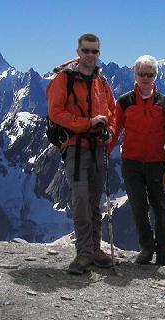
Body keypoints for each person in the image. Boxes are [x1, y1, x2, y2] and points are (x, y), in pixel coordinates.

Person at [47, 33, 117, 275]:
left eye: (94, 51)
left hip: (98, 147)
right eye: (86, 51)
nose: (90, 55)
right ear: (78, 52)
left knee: (94, 200)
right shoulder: (64, 79)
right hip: (76, 148)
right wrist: (87, 123)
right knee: (80, 200)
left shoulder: (101, 82)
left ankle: (95, 249)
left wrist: (108, 129)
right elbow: (56, 113)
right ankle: (84, 253)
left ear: (99, 53)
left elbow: (112, 111)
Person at [109, 55, 165, 267]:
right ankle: (147, 249)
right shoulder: (124, 102)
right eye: (142, 74)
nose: (146, 78)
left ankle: (163, 253)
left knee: (160, 208)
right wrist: (104, 152)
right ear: (136, 75)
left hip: (156, 163)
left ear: (156, 76)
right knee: (139, 207)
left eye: (150, 74)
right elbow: (115, 130)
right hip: (132, 163)